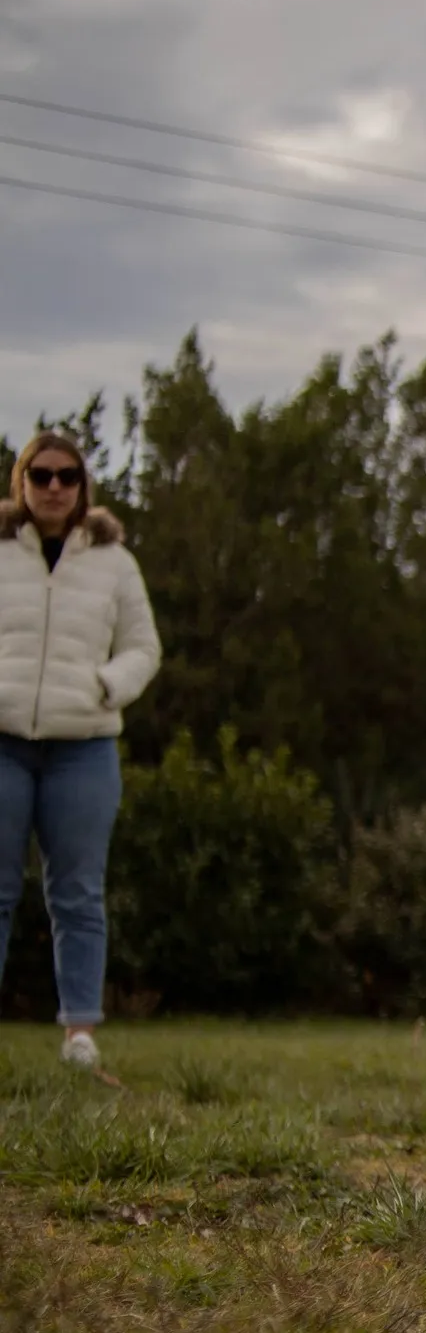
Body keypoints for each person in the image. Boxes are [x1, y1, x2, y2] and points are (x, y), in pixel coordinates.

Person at [0, 431, 161, 1072]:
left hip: (84, 751)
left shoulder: (114, 561)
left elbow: (143, 647)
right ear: (23, 482)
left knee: (77, 893)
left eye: (67, 476)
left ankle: (79, 1035)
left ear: (82, 485)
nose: (55, 487)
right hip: (3, 743)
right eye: (41, 475)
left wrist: (106, 686)